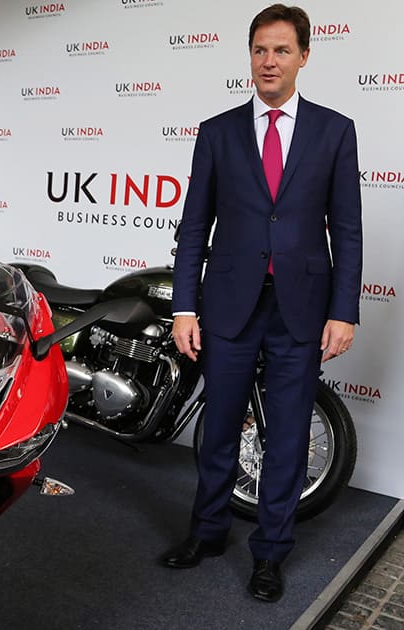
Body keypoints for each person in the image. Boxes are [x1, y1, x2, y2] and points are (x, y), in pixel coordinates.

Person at [161, 3, 363, 603]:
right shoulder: (217, 131)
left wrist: (344, 309)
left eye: (280, 50)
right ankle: (208, 531)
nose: (268, 61)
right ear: (249, 56)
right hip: (227, 305)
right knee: (219, 426)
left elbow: (346, 229)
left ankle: (270, 554)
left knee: (287, 436)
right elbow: (193, 226)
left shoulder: (334, 130)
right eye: (259, 49)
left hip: (302, 308)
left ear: (304, 55)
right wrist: (184, 307)